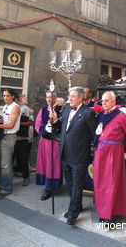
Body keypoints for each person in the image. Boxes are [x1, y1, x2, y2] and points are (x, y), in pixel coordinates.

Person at [48, 86, 96, 226]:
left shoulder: (87, 113)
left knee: (76, 185)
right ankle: (77, 205)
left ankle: (73, 212)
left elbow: (94, 134)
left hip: (79, 155)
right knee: (69, 183)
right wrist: (55, 120)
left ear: (81, 97)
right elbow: (61, 128)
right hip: (64, 153)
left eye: (73, 96)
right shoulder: (67, 109)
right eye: (70, 96)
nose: (70, 99)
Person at [93, 91, 126, 226]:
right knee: (100, 183)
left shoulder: (121, 117)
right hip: (100, 153)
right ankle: (103, 211)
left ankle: (111, 213)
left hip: (114, 154)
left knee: (111, 184)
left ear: (113, 101)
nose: (103, 103)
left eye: (106, 100)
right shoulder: (101, 115)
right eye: (102, 101)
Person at [0, 88, 21, 198]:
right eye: (4, 96)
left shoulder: (15, 107)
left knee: (5, 164)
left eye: (7, 96)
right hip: (1, 136)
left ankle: (6, 188)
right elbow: (5, 121)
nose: (5, 98)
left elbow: (11, 125)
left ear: (12, 96)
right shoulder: (5, 106)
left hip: (9, 137)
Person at [35, 91, 62, 200]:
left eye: (51, 97)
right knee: (44, 164)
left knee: (52, 165)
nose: (49, 99)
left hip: (55, 142)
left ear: (55, 98)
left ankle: (49, 188)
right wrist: (44, 129)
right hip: (44, 141)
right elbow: (37, 124)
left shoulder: (61, 109)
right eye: (47, 97)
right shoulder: (43, 110)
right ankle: (46, 185)